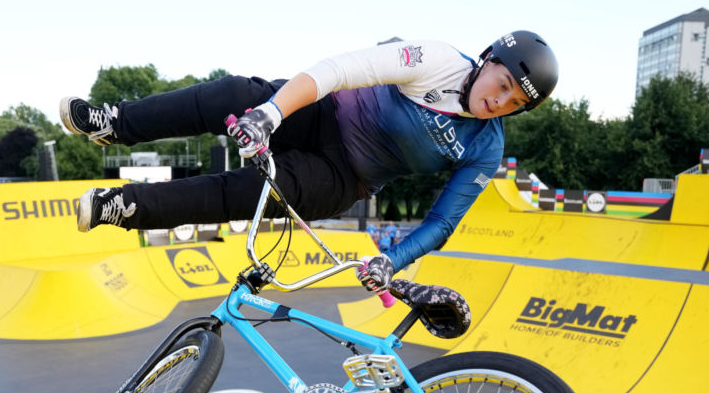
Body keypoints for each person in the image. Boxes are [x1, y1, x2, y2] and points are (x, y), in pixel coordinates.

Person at [60, 31, 558, 292]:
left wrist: (392, 260)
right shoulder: (437, 58)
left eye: (517, 103)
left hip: (346, 177)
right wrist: (269, 114)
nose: (501, 102)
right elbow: (341, 70)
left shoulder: (485, 147)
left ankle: (125, 208)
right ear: (488, 58)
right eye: (504, 85)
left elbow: (444, 220)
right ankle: (114, 122)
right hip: (321, 112)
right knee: (237, 94)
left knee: (250, 194)